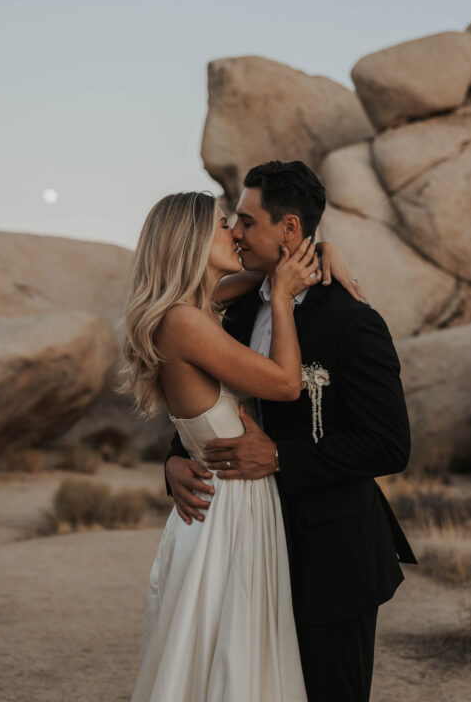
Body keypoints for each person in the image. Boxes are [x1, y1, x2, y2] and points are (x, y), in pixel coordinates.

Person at [166, 160, 417, 702]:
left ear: (290, 231)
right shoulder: (228, 312)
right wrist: (174, 461)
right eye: (231, 221)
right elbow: (210, 402)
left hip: (330, 555)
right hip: (246, 548)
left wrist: (280, 458)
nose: (234, 232)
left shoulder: (351, 321)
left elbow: (390, 444)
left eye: (247, 221)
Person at [119, 189, 360, 702]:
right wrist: (279, 302)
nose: (236, 234)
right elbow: (285, 384)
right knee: (229, 658)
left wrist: (322, 250)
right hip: (229, 510)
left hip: (232, 501)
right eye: (223, 225)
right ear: (190, 240)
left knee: (224, 657)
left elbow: (263, 270)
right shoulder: (184, 323)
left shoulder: (195, 308)